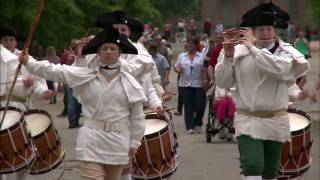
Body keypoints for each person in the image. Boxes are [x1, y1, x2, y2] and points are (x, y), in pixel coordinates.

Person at [19, 26, 146, 180]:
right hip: (92, 137)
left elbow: (137, 117)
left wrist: (134, 143)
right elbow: (56, 71)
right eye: (104, 48)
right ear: (98, 53)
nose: (108, 51)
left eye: (113, 48)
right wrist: (29, 62)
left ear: (120, 53)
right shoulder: (85, 75)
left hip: (119, 141)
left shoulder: (130, 82)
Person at [215, 2, 309, 180]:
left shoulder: (286, 52)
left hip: (276, 119)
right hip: (248, 118)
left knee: (270, 170)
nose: (265, 33)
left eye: (268, 28)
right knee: (252, 165)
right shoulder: (236, 51)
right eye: (260, 29)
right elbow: (222, 81)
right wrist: (227, 55)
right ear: (251, 31)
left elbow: (280, 70)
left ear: (275, 30)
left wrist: (253, 48)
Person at [0, 26, 53, 180]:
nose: (8, 42)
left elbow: (38, 82)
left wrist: (43, 92)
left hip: (22, 108)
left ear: (16, 42)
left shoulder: (25, 59)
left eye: (11, 39)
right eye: (5, 40)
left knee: (23, 149)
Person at [174, 37, 206, 134]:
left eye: (193, 43)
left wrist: (206, 80)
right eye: (189, 43)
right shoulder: (182, 56)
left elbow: (205, 68)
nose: (190, 45)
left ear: (196, 45)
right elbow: (176, 66)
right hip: (184, 84)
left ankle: (198, 123)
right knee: (188, 106)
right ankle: (190, 126)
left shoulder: (201, 56)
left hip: (198, 84)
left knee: (200, 105)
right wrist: (178, 70)